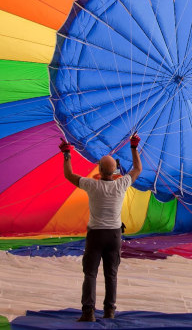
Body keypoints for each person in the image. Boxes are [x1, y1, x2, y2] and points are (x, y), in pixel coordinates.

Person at [60, 134, 142, 322]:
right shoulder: (121, 184)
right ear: (114, 172)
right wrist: (134, 147)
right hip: (113, 235)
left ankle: (88, 312)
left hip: (96, 234)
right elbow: (138, 168)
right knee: (111, 274)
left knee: (90, 273)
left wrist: (67, 154)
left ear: (99, 170)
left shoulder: (91, 185)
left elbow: (68, 175)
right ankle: (109, 311)